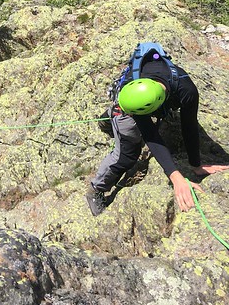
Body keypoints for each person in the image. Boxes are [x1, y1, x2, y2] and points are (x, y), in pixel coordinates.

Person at [86, 55, 229, 216]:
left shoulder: (186, 90)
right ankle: (96, 189)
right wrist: (175, 177)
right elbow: (151, 136)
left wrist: (196, 164)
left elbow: (189, 125)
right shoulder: (136, 92)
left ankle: (112, 116)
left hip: (140, 102)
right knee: (127, 155)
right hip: (128, 103)